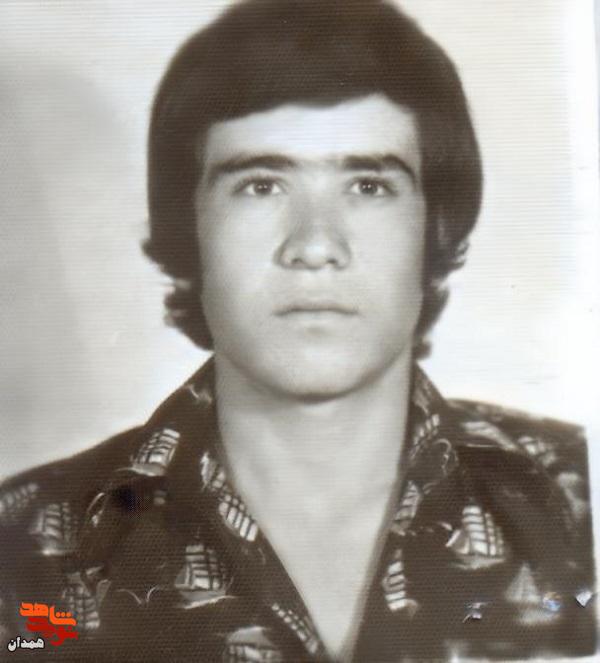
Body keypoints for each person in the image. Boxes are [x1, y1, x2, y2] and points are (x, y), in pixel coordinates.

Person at [0, 0, 596, 660]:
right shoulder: (23, 551)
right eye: (261, 185)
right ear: (188, 228)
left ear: (436, 227)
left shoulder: (579, 499)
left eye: (368, 186)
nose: (315, 245)